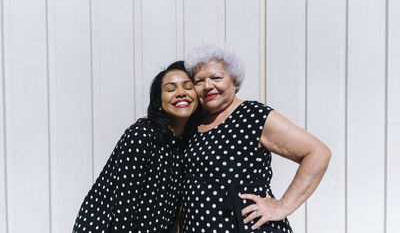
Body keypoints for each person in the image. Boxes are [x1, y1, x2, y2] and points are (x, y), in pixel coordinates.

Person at [181, 43, 331, 233]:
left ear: (234, 81)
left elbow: (318, 153)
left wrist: (283, 206)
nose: (208, 86)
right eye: (199, 81)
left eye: (216, 78)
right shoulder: (194, 122)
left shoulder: (252, 115)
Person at [72, 61, 198, 233]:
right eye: (170, 89)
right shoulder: (142, 135)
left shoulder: (185, 144)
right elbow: (124, 203)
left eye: (188, 87)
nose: (181, 93)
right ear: (159, 102)